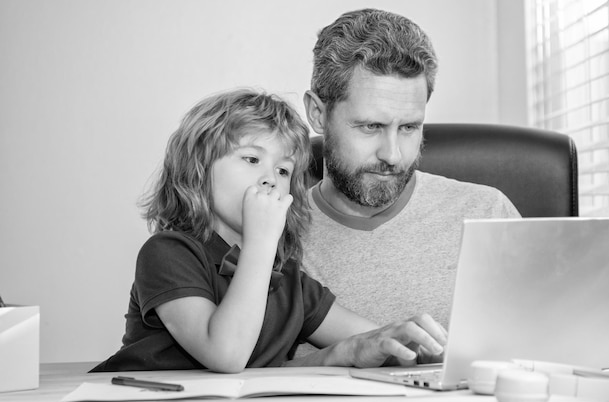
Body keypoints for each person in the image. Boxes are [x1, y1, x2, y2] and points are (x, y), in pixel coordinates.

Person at [91, 88, 447, 373]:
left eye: (283, 171)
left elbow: (371, 340)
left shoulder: (285, 275)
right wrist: (261, 242)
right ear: (198, 170)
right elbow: (226, 355)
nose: (269, 178)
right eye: (251, 159)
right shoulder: (168, 253)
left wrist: (417, 348)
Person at [301, 9, 521, 332]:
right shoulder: (273, 235)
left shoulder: (487, 214)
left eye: (408, 127)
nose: (392, 155)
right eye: (371, 126)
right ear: (318, 114)